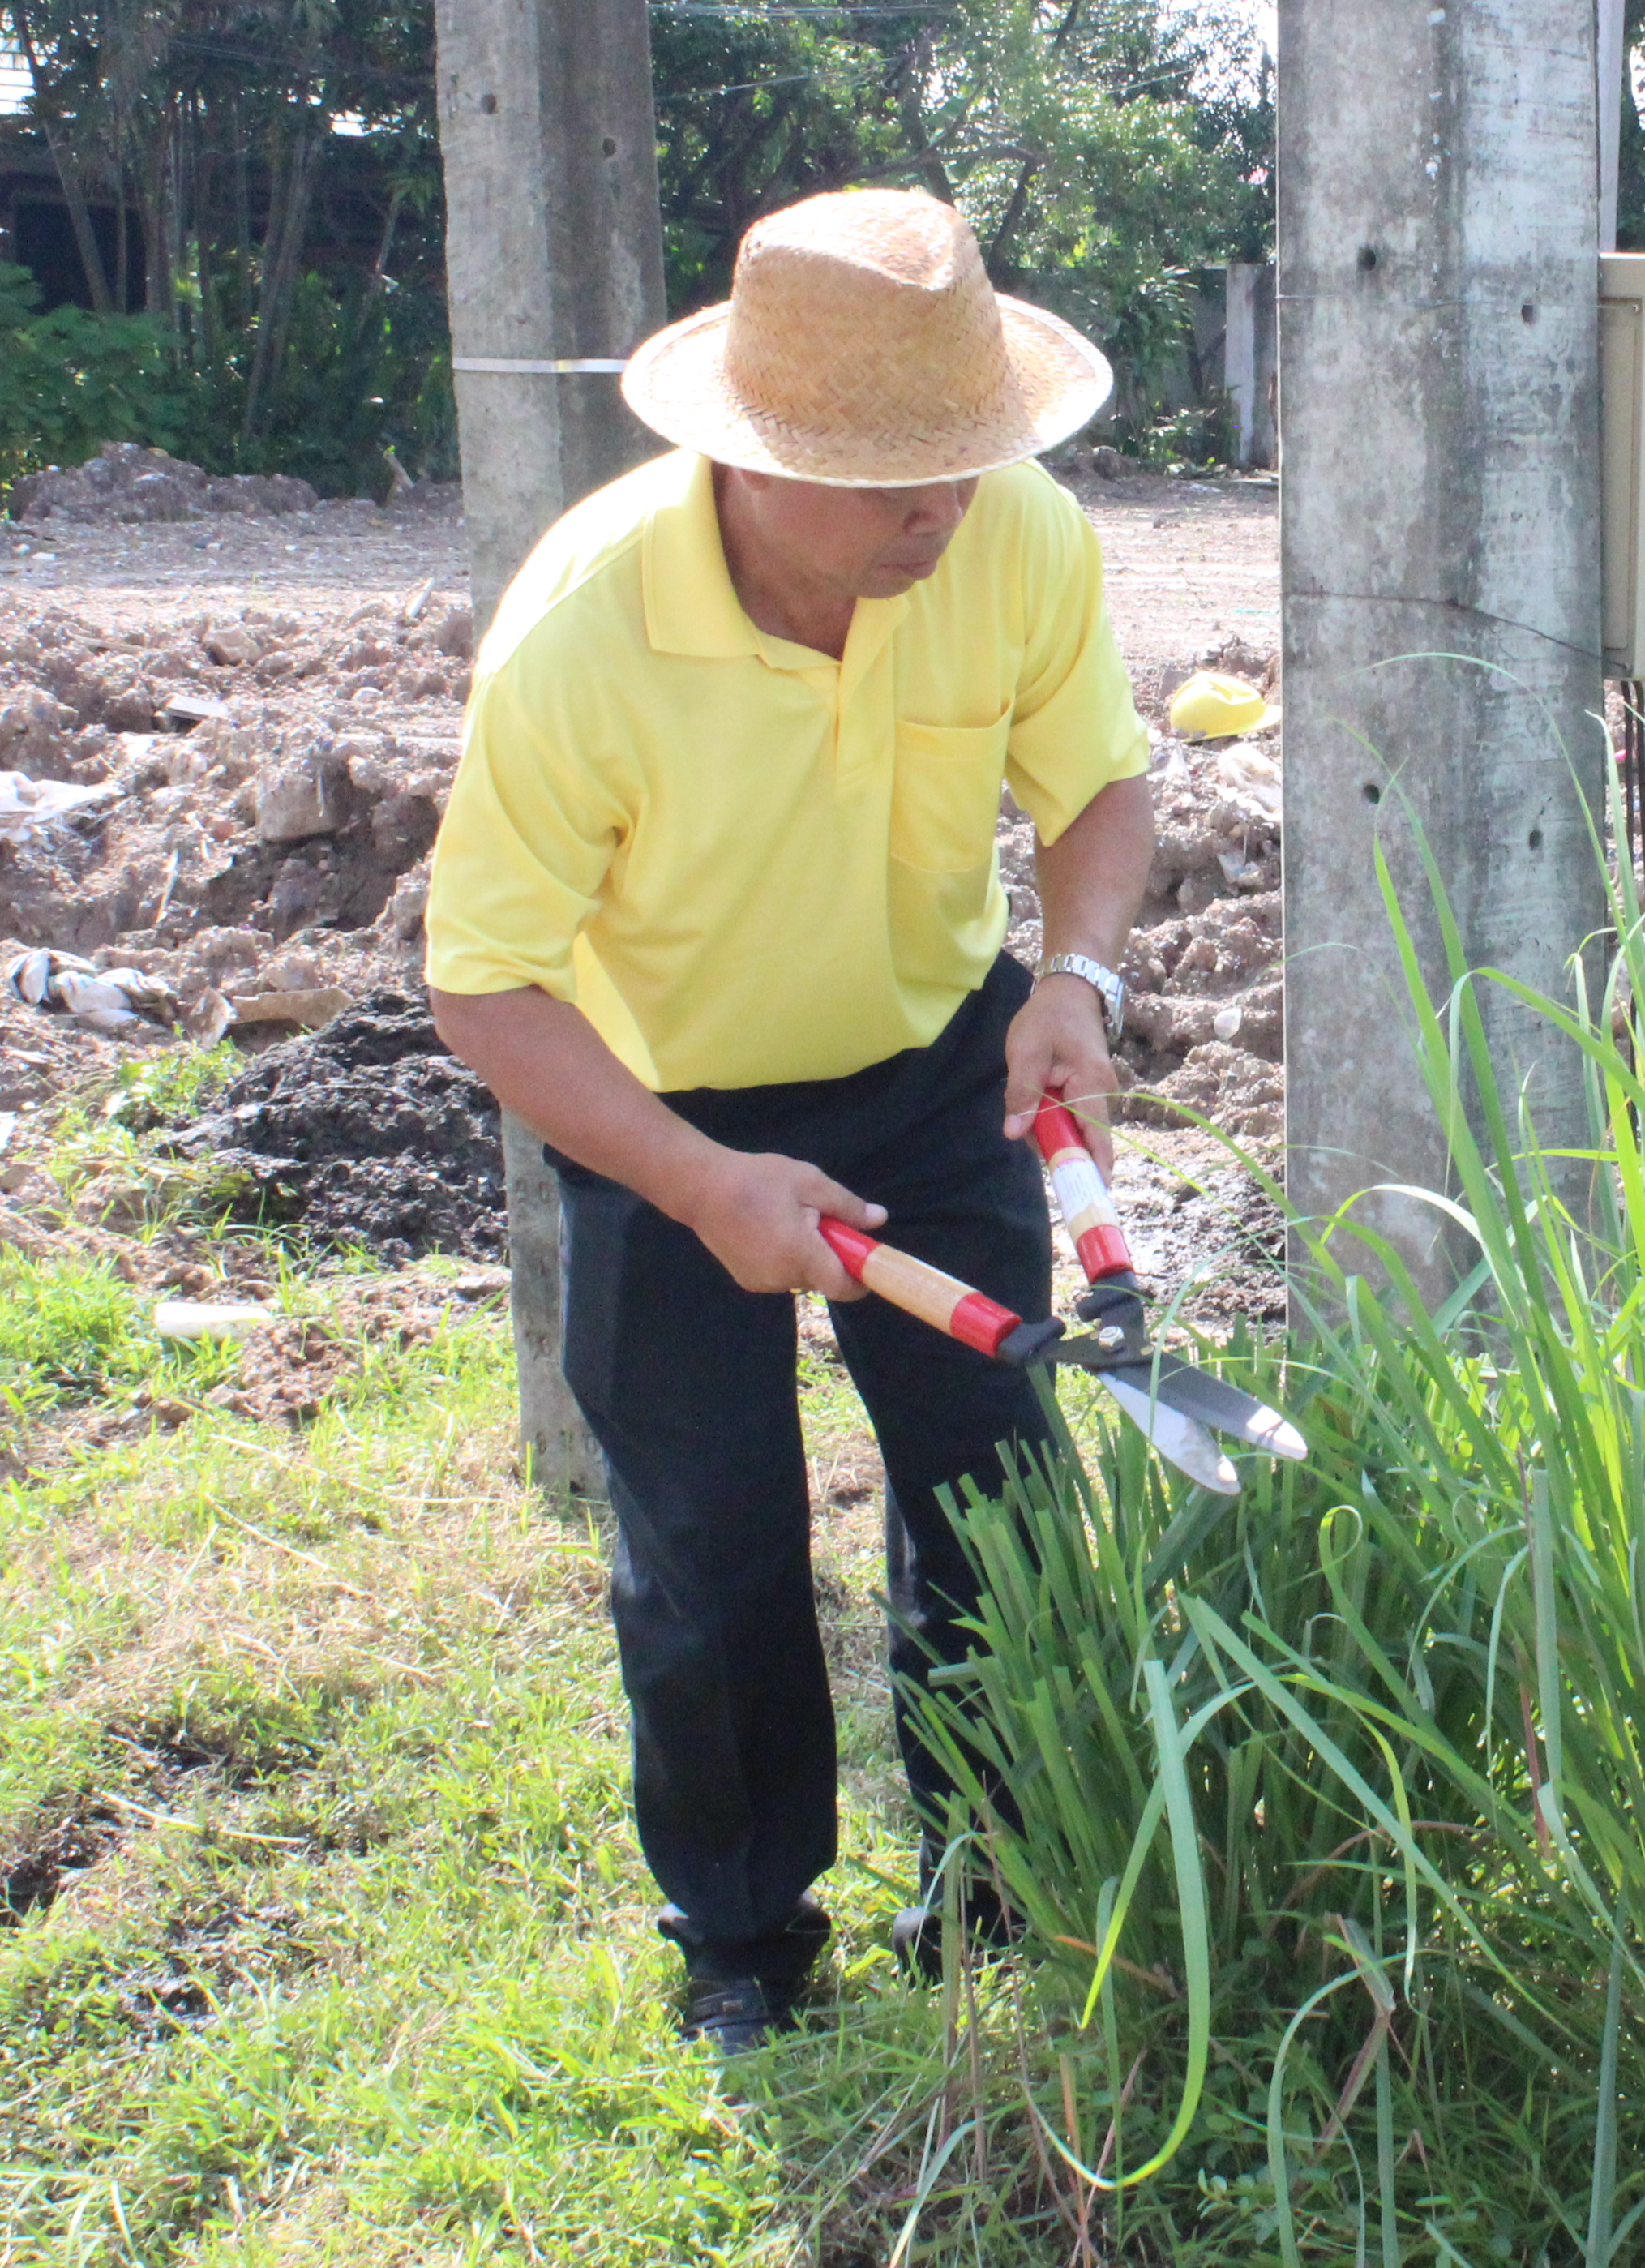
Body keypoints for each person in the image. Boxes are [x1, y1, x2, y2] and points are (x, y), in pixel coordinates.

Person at [424, 186, 1156, 2054]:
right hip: (659, 1104)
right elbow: (484, 980)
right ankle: (745, 1947)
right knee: (711, 1536)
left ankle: (998, 1879)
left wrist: (1076, 976)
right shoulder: (588, 637)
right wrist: (689, 1178)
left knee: (993, 1490)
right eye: (898, 482)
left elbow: (1097, 791)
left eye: (969, 468)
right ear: (753, 462)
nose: (948, 514)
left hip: (934, 1067)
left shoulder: (1009, 541)